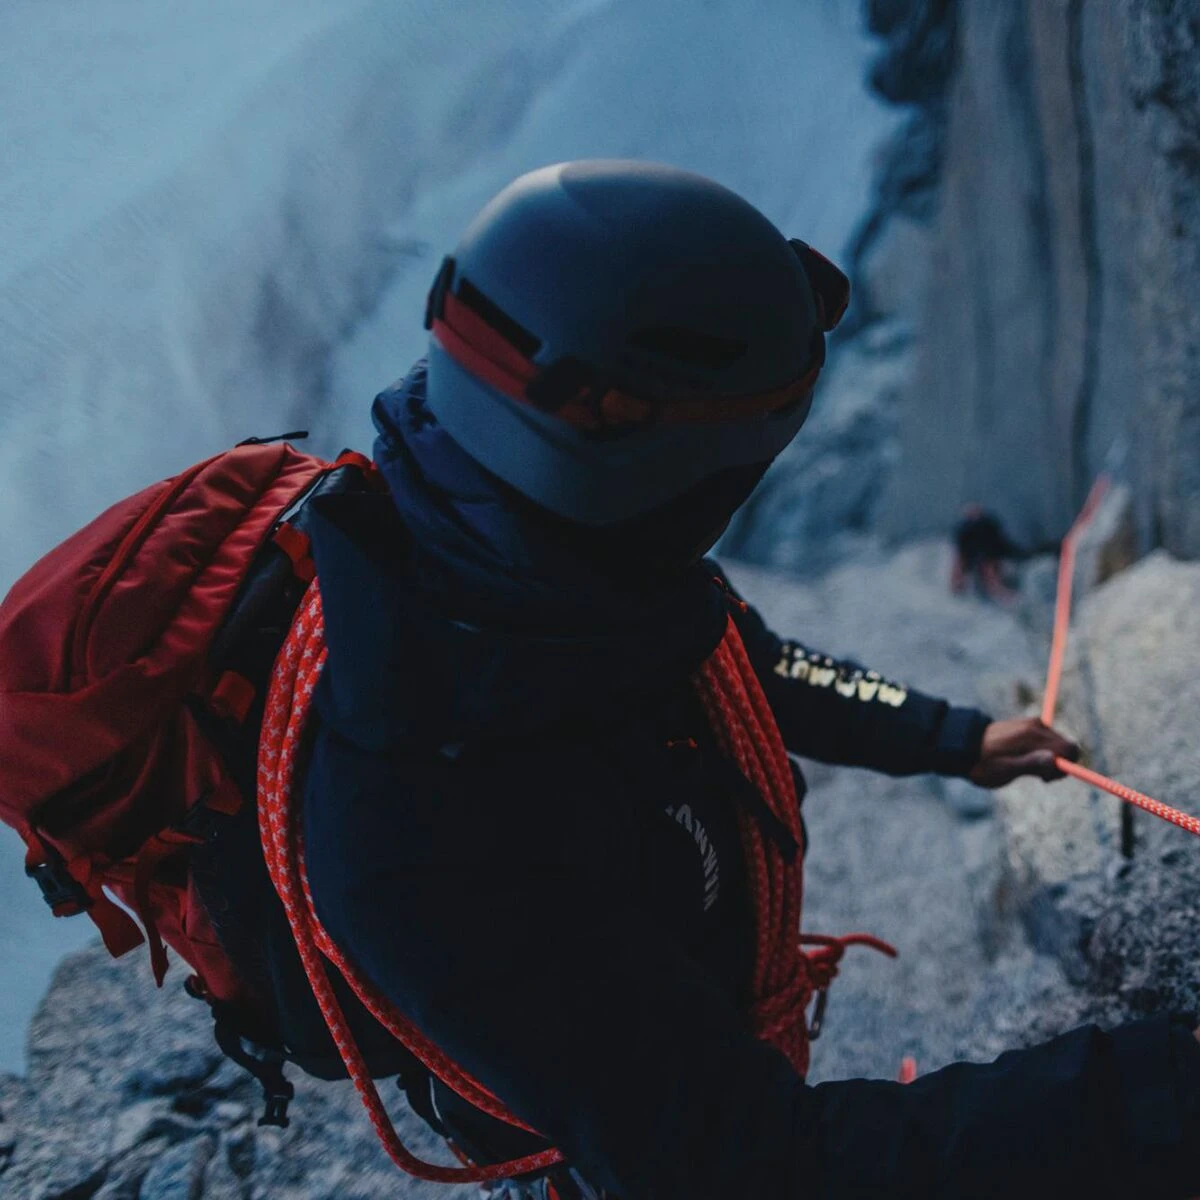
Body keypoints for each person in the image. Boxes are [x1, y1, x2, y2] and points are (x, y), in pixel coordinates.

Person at [196, 161, 1200, 1199]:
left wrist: (955, 738)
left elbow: (754, 668)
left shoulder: (558, 563)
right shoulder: (420, 827)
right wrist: (1163, 1092)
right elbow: (748, 1164)